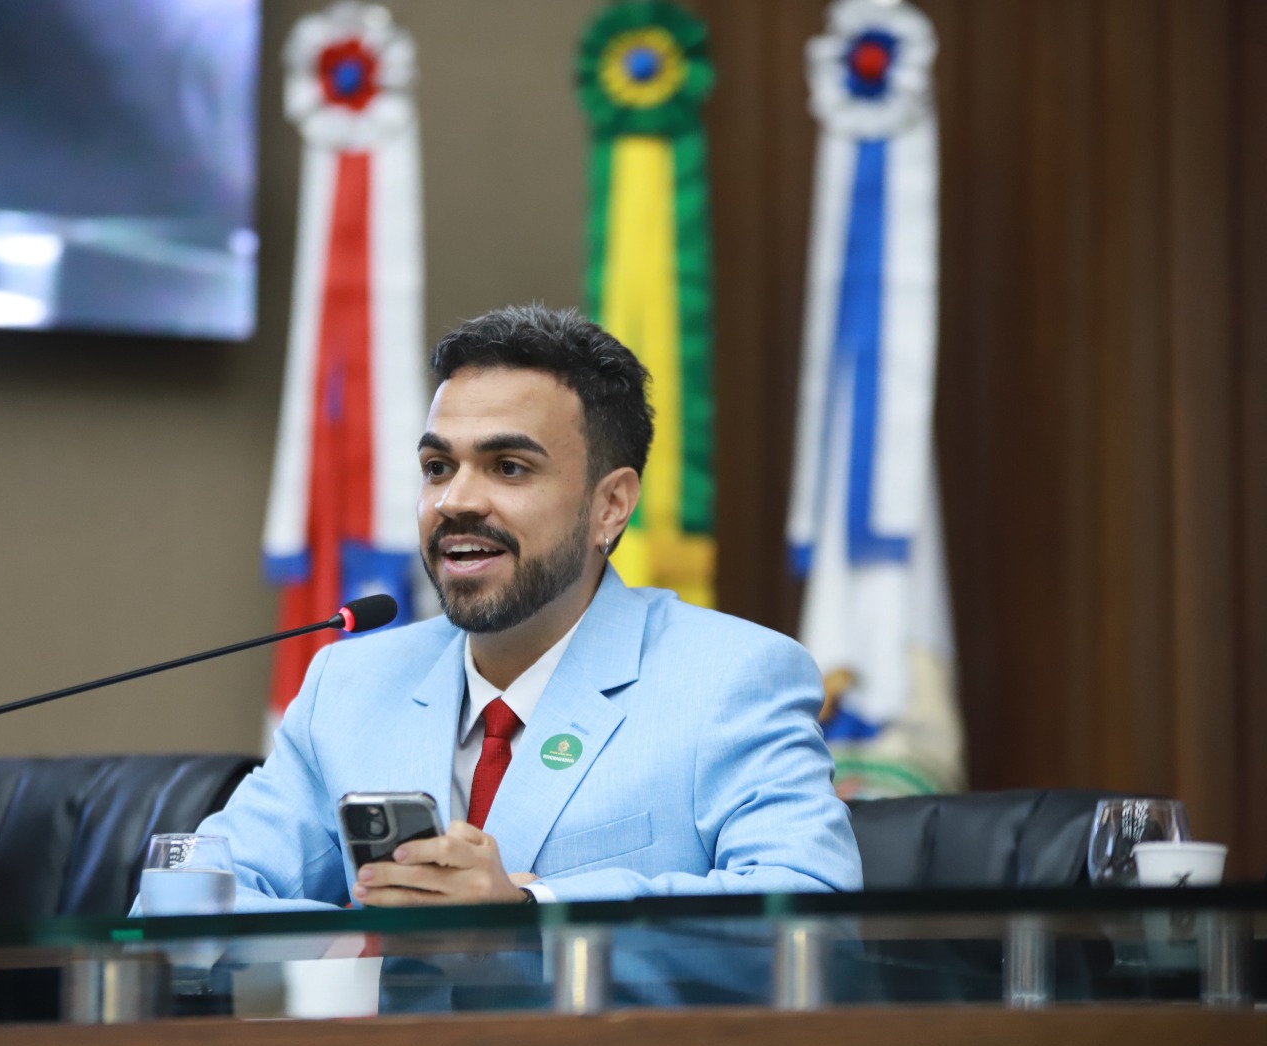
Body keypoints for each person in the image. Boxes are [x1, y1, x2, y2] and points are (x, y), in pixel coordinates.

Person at [188, 305, 861, 911]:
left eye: (509, 467)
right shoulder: (350, 685)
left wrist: (530, 910)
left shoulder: (733, 676)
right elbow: (189, 896)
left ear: (611, 506)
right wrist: (361, 944)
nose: (455, 501)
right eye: (437, 467)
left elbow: (810, 901)